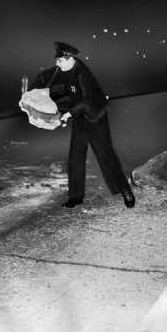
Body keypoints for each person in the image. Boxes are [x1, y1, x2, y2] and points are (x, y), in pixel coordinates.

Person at [28, 41, 135, 209]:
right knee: (76, 155)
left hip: (94, 116)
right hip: (79, 115)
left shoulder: (82, 74)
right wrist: (32, 92)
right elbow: (43, 77)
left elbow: (88, 101)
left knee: (105, 154)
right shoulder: (62, 68)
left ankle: (125, 189)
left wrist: (68, 114)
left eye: (60, 60)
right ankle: (76, 196)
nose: (57, 63)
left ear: (70, 59)